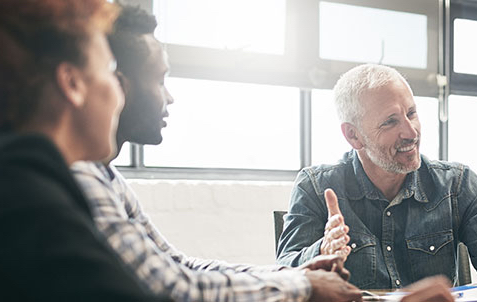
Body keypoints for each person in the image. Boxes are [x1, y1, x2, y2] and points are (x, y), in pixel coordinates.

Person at [70, 6, 454, 302]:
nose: (169, 95)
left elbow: (181, 265)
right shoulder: (78, 175)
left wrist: (295, 279)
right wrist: (300, 284)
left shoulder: (104, 175)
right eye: (158, 79)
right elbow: (172, 287)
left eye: (412, 113)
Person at [277, 64, 477, 289]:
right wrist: (321, 252)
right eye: (391, 122)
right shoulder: (315, 187)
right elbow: (282, 277)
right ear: (353, 135)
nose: (411, 133)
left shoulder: (458, 185)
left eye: (411, 113)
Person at [0, 0, 164, 300]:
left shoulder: (0, 171)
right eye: (109, 70)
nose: (119, 94)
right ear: (72, 83)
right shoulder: (11, 192)